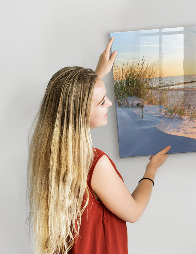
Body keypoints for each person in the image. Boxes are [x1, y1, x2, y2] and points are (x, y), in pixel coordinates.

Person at [27, 38, 171, 254]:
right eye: (102, 101)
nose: (110, 104)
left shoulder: (50, 152)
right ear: (81, 112)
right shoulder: (95, 164)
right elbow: (134, 212)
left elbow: (74, 101)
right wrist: (151, 169)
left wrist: (98, 74)